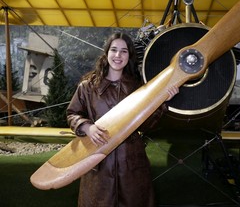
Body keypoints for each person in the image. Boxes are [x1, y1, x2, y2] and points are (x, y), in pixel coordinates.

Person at [66, 32, 179, 207]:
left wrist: (162, 102)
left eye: (124, 51)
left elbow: (148, 125)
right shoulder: (87, 87)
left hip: (132, 164)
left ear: (129, 56)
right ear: (106, 53)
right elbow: (72, 114)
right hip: (98, 163)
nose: (118, 55)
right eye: (114, 50)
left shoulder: (140, 88)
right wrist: (87, 127)